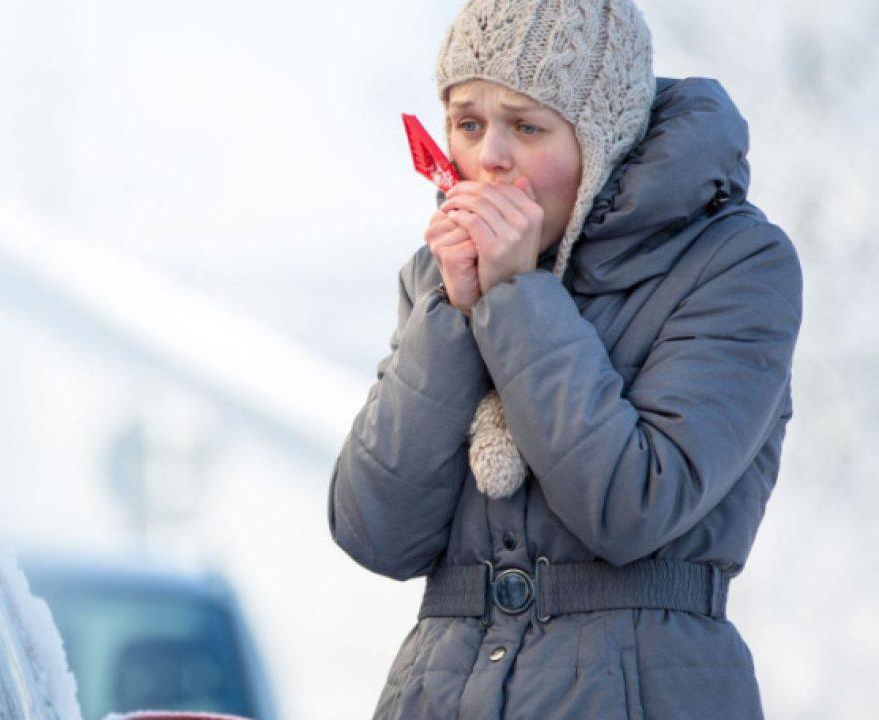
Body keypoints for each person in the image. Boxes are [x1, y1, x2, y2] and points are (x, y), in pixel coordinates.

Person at [327, 1, 803, 717]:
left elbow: (632, 504)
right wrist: (453, 320)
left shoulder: (736, 264)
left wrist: (517, 298)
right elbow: (374, 532)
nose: (489, 156)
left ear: (603, 138)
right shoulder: (435, 279)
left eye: (526, 126)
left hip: (642, 690)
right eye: (468, 123)